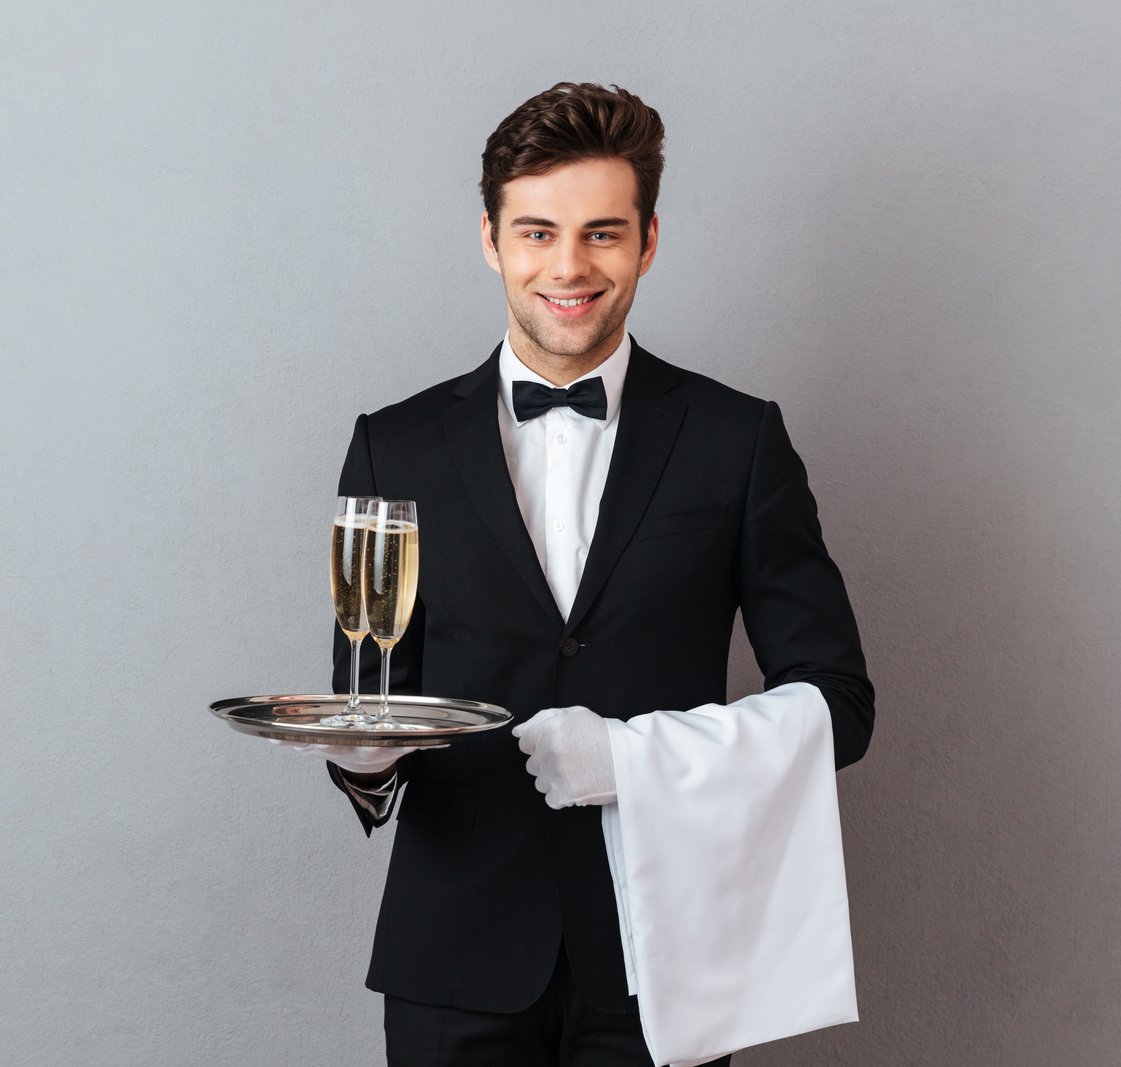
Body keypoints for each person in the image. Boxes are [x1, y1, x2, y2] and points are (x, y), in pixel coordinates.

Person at [281, 82, 874, 1067]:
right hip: (453, 961)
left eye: (602, 233)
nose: (568, 265)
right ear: (490, 239)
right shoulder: (393, 447)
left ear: (647, 241)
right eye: (537, 231)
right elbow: (365, 695)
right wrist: (366, 760)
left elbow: (840, 705)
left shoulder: (737, 442)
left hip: (662, 963)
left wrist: (638, 759)